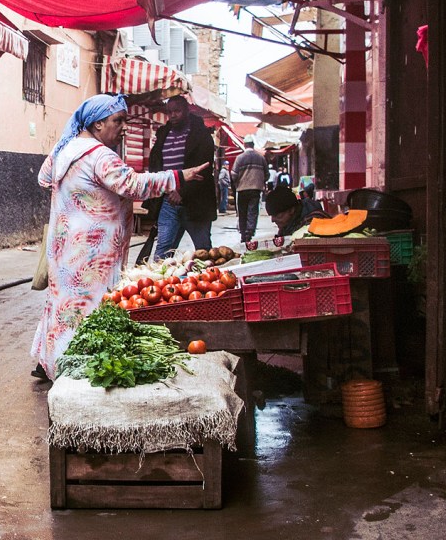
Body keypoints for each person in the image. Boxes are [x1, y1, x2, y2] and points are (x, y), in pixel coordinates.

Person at [31, 94, 209, 380]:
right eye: (118, 120)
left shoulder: (64, 149)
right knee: (89, 307)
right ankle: (75, 371)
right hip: (93, 254)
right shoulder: (98, 155)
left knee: (65, 304)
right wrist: (179, 177)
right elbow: (133, 185)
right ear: (98, 124)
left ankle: (50, 362)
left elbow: (43, 178)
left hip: (66, 247)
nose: (123, 127)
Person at [148, 95, 217, 260]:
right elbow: (155, 164)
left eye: (177, 111)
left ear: (187, 111)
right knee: (163, 251)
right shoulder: (163, 135)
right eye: (169, 112)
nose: (173, 115)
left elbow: (204, 170)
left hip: (195, 202)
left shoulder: (201, 135)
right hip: (168, 202)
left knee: (204, 251)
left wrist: (182, 192)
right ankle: (158, 283)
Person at [232, 137, 269, 243]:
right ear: (253, 145)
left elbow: (234, 174)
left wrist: (237, 183)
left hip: (242, 189)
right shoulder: (261, 158)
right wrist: (260, 181)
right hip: (256, 189)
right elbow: (267, 175)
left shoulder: (240, 158)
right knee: (252, 211)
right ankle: (249, 232)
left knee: (242, 211)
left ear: (244, 145)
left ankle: (243, 233)